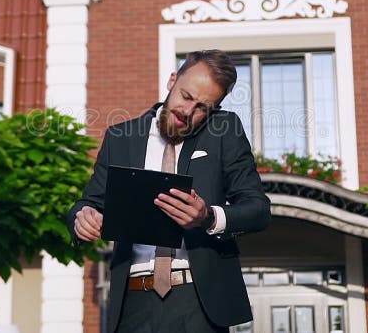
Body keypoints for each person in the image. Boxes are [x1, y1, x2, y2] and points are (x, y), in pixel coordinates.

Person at [67, 49, 271, 333]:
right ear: (172, 80)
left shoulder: (224, 131)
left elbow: (258, 210)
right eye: (186, 97)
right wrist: (82, 217)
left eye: (203, 107)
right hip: (132, 302)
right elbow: (87, 203)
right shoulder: (120, 138)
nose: (188, 112)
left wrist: (209, 217)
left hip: (199, 303)